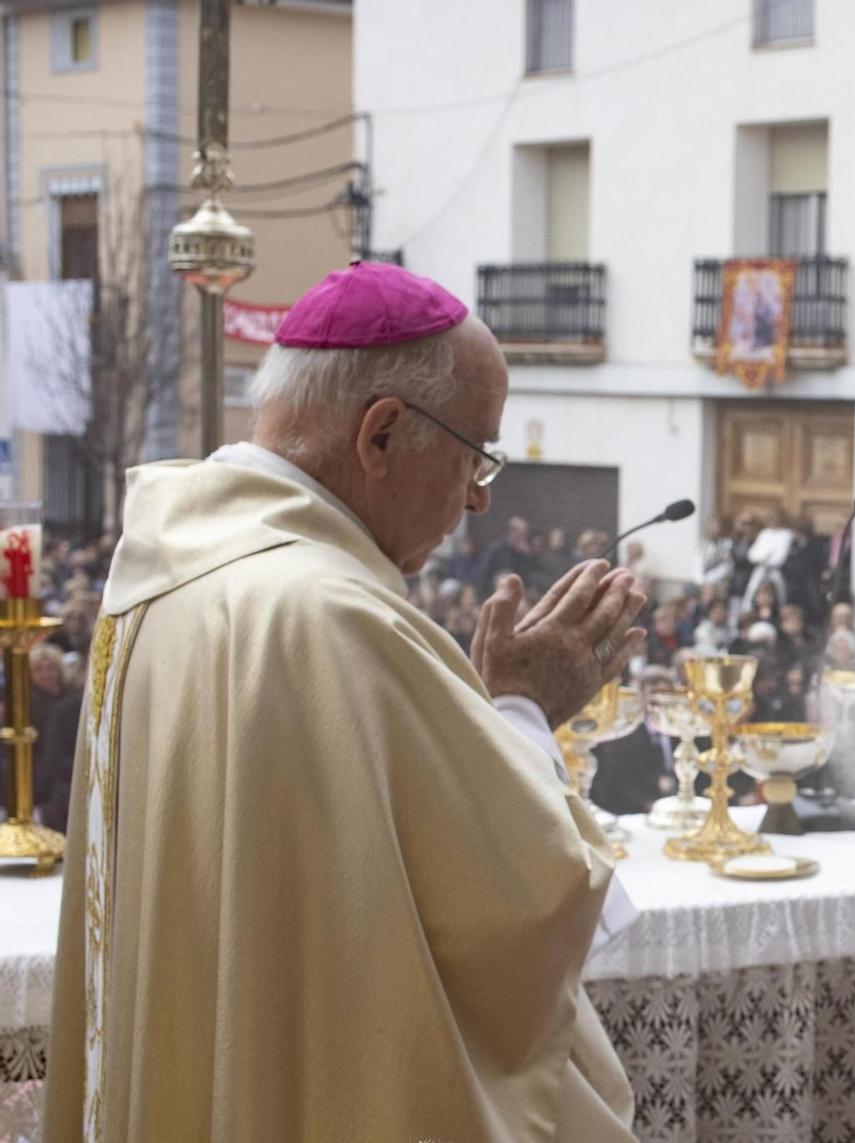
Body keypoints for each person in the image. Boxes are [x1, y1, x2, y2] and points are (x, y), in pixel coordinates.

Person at [41, 262, 646, 1140]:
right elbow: (522, 904)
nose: (479, 495)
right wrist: (517, 707)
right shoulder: (334, 615)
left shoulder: (158, 577)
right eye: (474, 452)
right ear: (383, 434)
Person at [589, 664, 675, 815]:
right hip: (634, 812)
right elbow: (614, 782)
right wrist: (648, 805)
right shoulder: (624, 735)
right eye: (654, 694)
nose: (660, 703)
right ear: (641, 696)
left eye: (667, 695)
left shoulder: (682, 731)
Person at [28, 642, 81, 831]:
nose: (45, 674)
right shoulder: (26, 708)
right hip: (39, 779)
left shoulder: (74, 703)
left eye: (50, 668)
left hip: (69, 774)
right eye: (38, 669)